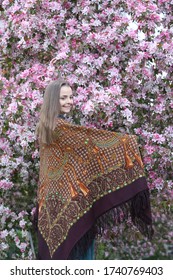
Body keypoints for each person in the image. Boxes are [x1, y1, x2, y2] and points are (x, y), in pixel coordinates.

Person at [35, 78, 153, 260]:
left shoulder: (45, 129)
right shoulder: (61, 129)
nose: (69, 102)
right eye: (63, 98)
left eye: (70, 97)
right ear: (52, 101)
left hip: (52, 205)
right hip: (70, 205)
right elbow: (94, 141)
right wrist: (127, 142)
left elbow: (80, 160)